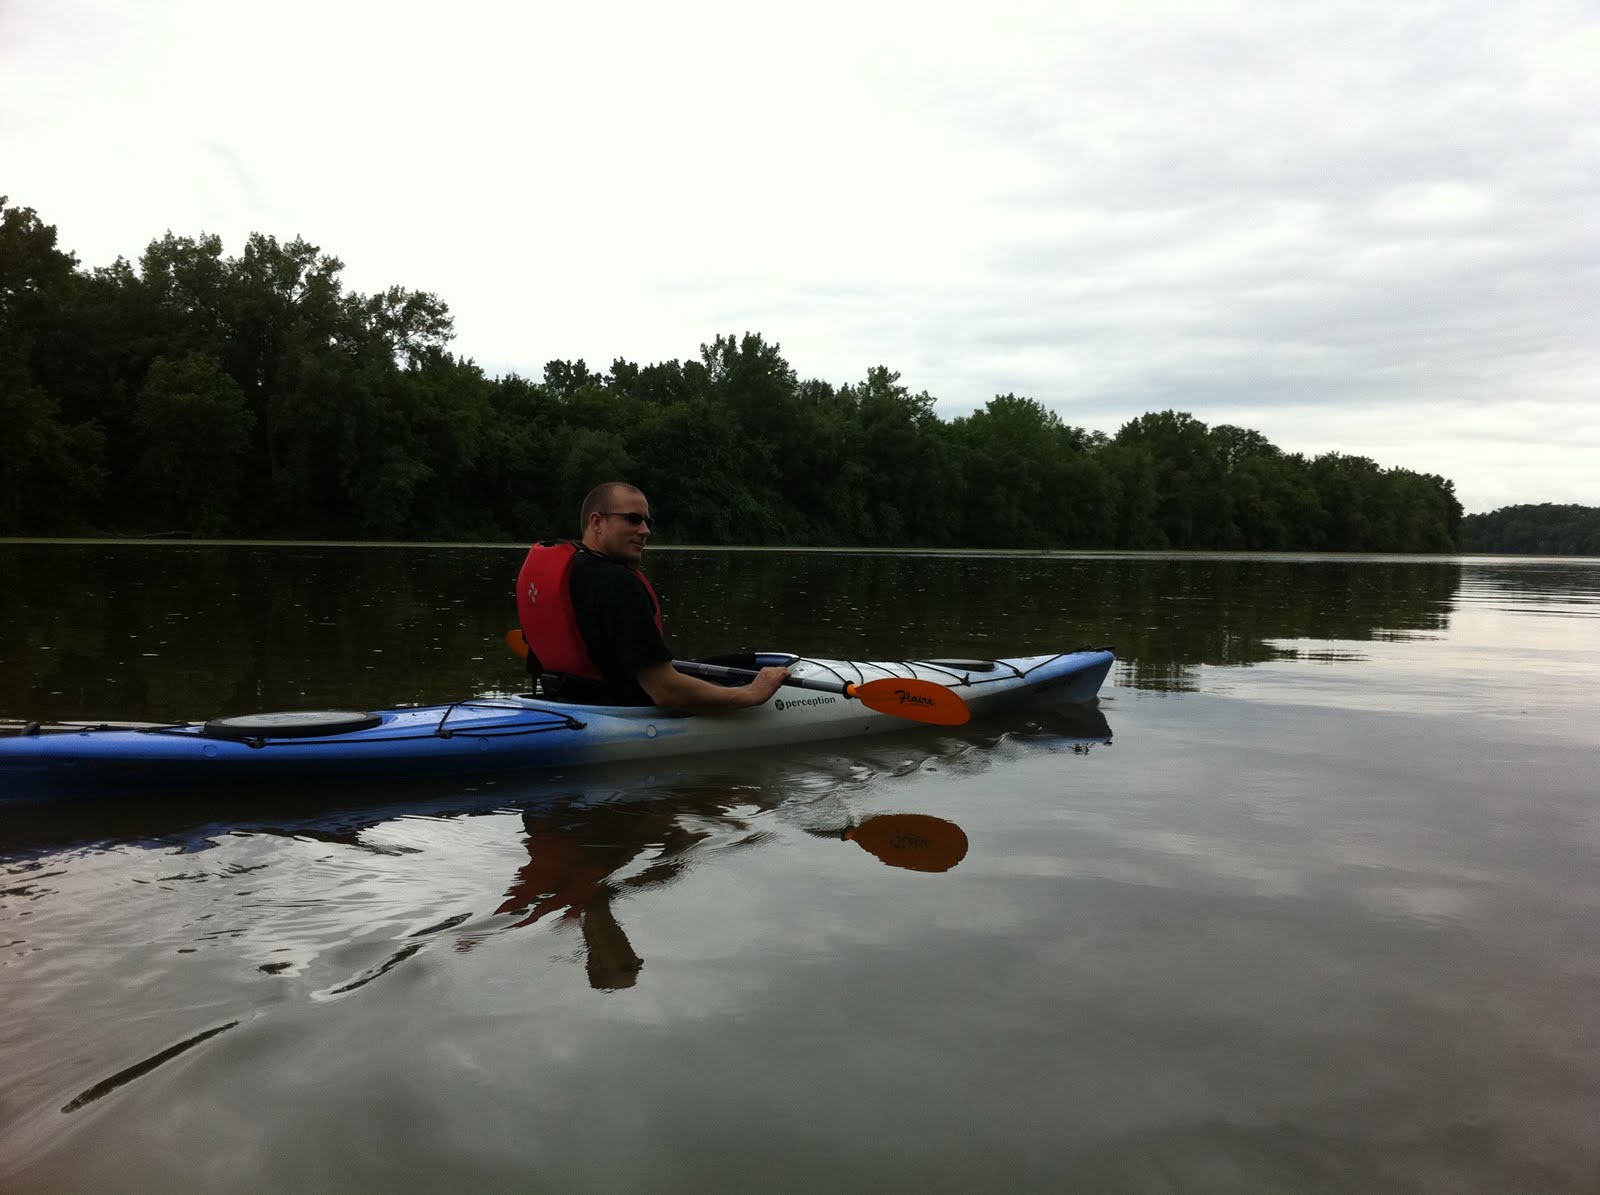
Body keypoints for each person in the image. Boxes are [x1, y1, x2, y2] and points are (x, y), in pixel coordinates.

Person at [516, 482, 789, 711]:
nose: (646, 531)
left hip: (561, 703)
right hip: (616, 712)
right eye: (633, 519)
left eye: (648, 522)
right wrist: (750, 694)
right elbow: (665, 691)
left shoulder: (568, 572)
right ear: (597, 522)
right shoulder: (618, 583)